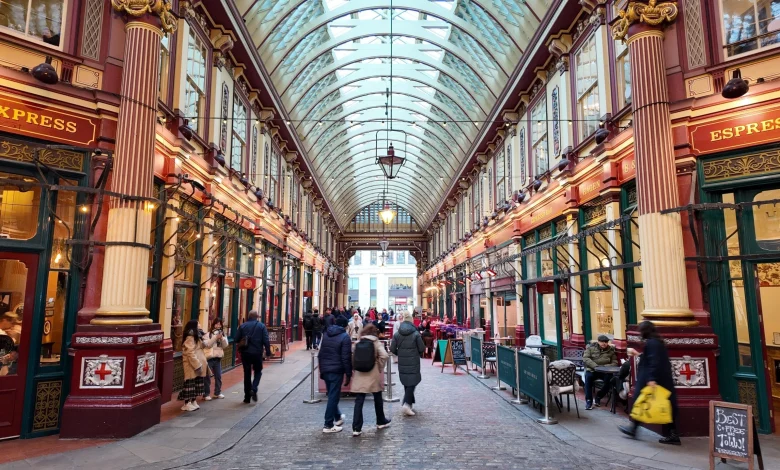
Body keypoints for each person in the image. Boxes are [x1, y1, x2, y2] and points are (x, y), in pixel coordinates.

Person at [618, 321, 681, 445]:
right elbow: (652, 358)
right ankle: (635, 428)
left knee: (642, 401)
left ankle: (634, 429)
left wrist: (652, 379)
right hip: (659, 378)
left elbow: (654, 361)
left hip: (654, 379)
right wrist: (638, 354)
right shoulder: (656, 342)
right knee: (659, 403)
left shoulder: (652, 343)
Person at [350, 324, 392, 436]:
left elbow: (353, 357)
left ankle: (356, 427)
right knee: (377, 397)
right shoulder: (376, 343)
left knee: (359, 400)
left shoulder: (358, 343)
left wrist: (355, 367)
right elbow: (384, 355)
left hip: (360, 374)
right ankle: (380, 421)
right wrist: (379, 367)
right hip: (373, 374)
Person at [318, 316, 352, 433]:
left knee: (332, 395)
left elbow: (321, 353)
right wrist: (348, 374)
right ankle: (328, 424)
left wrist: (321, 369)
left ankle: (337, 417)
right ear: (345, 326)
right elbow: (346, 358)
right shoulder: (345, 337)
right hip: (336, 370)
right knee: (333, 396)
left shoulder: (326, 334)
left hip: (326, 369)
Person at [390, 311, 425, 417]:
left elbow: (392, 349)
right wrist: (416, 353)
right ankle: (406, 403)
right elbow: (422, 348)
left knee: (407, 381)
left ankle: (409, 404)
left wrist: (400, 354)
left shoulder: (397, 334)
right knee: (412, 382)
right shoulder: (416, 334)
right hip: (413, 361)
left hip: (402, 362)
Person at [235, 310, 272, 404]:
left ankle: (247, 397)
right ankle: (254, 388)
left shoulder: (243, 326)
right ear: (257, 317)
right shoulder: (261, 326)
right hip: (257, 353)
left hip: (245, 353)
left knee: (247, 373)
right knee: (258, 371)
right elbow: (266, 340)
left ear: (248, 316)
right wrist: (268, 352)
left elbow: (236, 339)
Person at [583, 334, 619, 410]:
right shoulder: (591, 348)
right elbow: (586, 358)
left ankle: (599, 396)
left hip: (605, 371)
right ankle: (589, 401)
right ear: (598, 342)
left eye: (606, 342)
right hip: (593, 369)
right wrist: (595, 366)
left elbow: (615, 362)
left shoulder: (611, 351)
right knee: (588, 379)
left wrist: (604, 367)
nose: (604, 343)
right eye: (602, 342)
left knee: (610, 380)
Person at [179, 320, 208, 411]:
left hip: (197, 364)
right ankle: (186, 403)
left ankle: (193, 401)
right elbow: (190, 352)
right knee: (190, 383)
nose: (200, 324)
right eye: (198, 323)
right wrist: (197, 364)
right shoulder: (190, 337)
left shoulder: (197, 335)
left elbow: (201, 347)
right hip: (191, 365)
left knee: (196, 383)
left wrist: (204, 340)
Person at [202, 318, 228, 400]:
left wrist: (222, 338)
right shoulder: (208, 334)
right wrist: (215, 337)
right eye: (217, 324)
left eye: (219, 324)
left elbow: (225, 345)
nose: (218, 326)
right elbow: (208, 345)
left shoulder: (223, 334)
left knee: (218, 376)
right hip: (209, 358)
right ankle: (206, 394)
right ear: (213, 324)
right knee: (207, 377)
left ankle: (217, 392)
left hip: (217, 358)